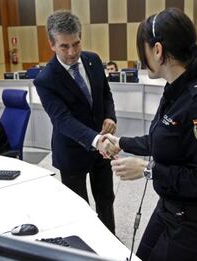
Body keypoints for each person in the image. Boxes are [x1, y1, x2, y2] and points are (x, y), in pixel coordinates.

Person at [102, 8, 197, 260]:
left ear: (158, 50)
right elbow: (162, 140)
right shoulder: (175, 91)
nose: (143, 59)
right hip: (171, 207)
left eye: (144, 51)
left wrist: (148, 170)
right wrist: (121, 142)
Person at [33, 10, 117, 233]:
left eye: (76, 44)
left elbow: (105, 93)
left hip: (101, 151)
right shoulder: (45, 79)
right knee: (80, 208)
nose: (72, 52)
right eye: (64, 46)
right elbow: (62, 120)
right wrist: (95, 139)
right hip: (71, 152)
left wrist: (110, 116)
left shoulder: (93, 60)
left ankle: (110, 242)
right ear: (52, 44)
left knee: (106, 199)